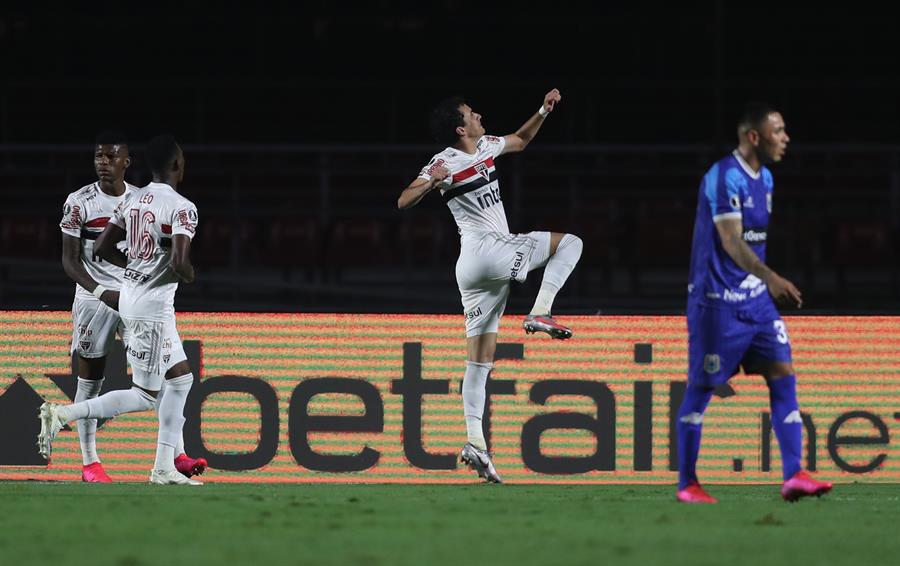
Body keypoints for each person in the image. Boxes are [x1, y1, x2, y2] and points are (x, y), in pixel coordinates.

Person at [397, 89, 583, 483]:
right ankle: (540, 311)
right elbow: (403, 200)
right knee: (570, 243)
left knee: (479, 361)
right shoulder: (443, 160)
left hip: (472, 268)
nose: (479, 114)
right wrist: (432, 181)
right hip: (487, 251)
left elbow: (521, 139)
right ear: (459, 127)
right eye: (470, 113)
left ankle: (476, 445)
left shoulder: (484, 146)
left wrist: (542, 111)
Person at [677, 102, 833, 503]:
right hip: (716, 304)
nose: (786, 138)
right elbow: (731, 243)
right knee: (702, 388)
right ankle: (688, 484)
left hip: (756, 303)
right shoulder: (723, 177)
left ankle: (793, 473)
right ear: (754, 136)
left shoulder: (766, 178)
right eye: (778, 131)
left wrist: (763, 284)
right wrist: (773, 277)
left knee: (783, 370)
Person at [40, 135, 203, 486]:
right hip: (98, 300)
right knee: (104, 384)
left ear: (126, 162)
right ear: (177, 165)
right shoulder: (79, 201)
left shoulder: (134, 198)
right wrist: (103, 290)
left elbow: (107, 245)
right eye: (97, 154)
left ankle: (172, 458)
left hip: (129, 294)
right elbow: (72, 259)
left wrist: (131, 269)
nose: (102, 161)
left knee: (178, 377)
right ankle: (88, 459)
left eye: (110, 155)